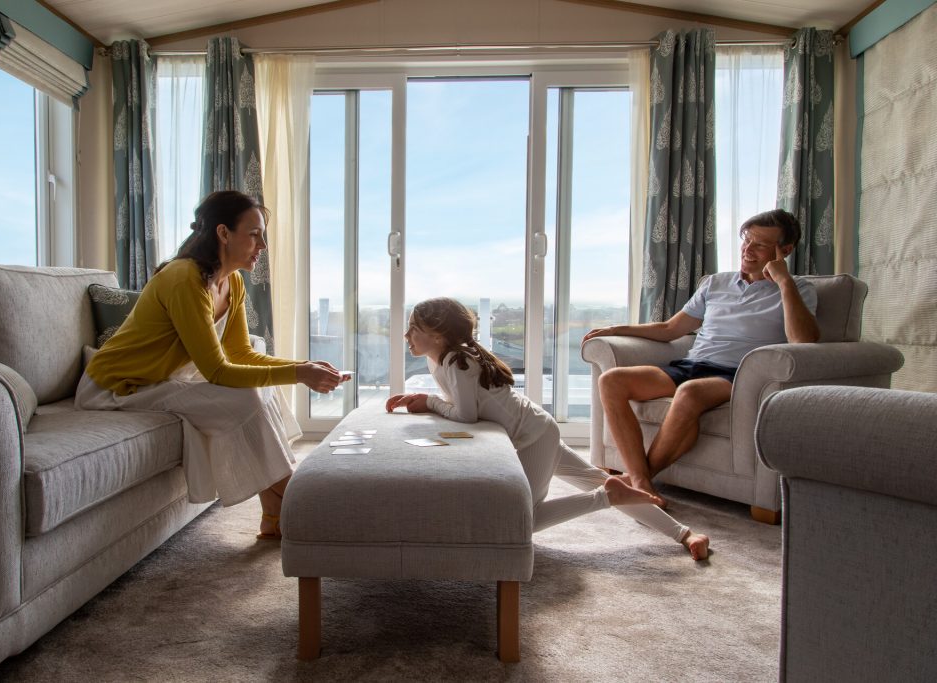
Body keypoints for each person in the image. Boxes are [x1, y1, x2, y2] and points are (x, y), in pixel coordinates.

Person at [76, 190, 348, 539]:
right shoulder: (183, 278)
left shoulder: (232, 282)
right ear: (223, 233)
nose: (262, 245)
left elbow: (241, 354)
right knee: (246, 397)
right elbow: (217, 371)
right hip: (116, 386)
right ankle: (300, 501)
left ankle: (275, 514)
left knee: (258, 391)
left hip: (163, 379)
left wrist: (303, 365)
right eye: (254, 234)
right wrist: (299, 374)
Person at [386, 297, 710, 561]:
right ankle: (685, 534)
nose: (406, 335)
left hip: (534, 437)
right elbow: (462, 406)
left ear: (438, 334)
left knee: (523, 521)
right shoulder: (444, 359)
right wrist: (428, 401)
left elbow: (467, 416)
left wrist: (428, 402)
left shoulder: (459, 362)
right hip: (539, 428)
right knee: (598, 481)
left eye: (413, 328)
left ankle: (606, 497)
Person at [584, 208, 820, 501]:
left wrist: (784, 282)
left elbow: (804, 340)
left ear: (784, 250)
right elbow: (671, 328)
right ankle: (641, 482)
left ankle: (640, 480)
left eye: (760, 244)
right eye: (747, 240)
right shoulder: (715, 283)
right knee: (611, 381)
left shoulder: (798, 290)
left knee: (690, 393)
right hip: (690, 365)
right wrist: (616, 329)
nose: (748, 249)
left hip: (736, 375)